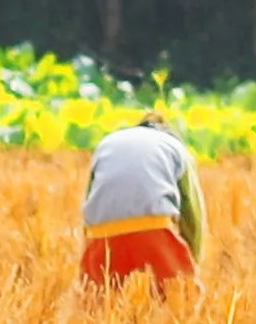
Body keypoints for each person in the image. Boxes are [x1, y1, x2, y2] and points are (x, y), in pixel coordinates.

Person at [80, 112, 205, 292]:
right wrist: (192, 260)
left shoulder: (107, 144)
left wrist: (90, 247)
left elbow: (90, 197)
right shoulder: (176, 148)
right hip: (154, 225)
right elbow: (191, 211)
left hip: (102, 230)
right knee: (178, 296)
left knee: (97, 301)